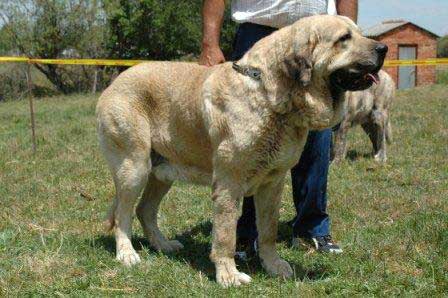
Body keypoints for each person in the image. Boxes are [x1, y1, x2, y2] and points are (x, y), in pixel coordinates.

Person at [199, 0, 358, 254]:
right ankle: (245, 234)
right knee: (250, 141)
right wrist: (210, 43)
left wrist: (350, 34)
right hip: (260, 31)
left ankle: (311, 230)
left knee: (316, 138)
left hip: (321, 36)